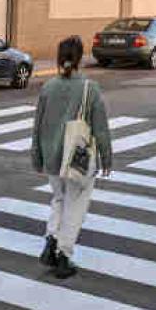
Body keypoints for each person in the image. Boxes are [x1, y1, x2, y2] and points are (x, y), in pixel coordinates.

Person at [30, 36, 113, 279]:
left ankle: (51, 240)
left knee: (58, 199)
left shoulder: (48, 87)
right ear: (79, 58)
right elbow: (101, 128)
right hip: (78, 160)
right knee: (75, 206)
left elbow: (37, 126)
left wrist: (36, 156)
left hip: (52, 158)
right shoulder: (90, 88)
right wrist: (106, 158)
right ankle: (64, 256)